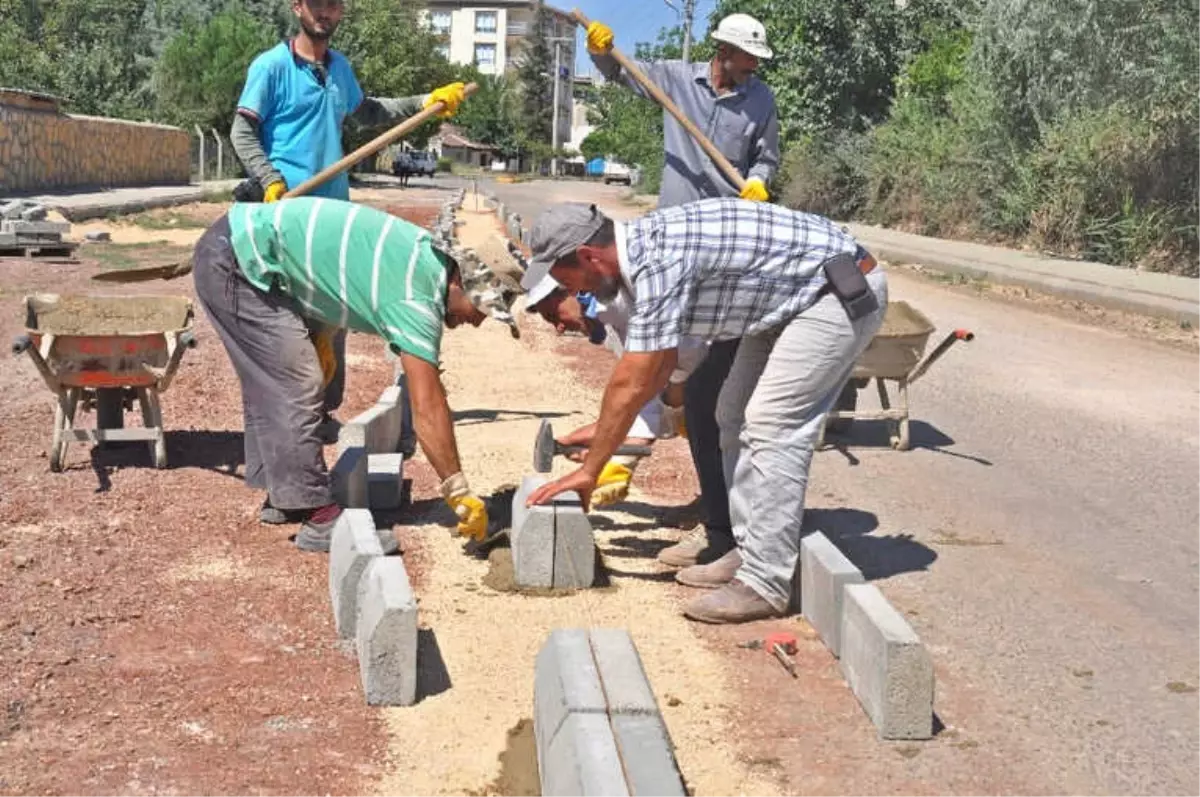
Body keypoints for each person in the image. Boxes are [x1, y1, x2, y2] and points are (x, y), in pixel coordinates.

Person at [521, 200, 888, 624]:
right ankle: (749, 551)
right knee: (730, 414)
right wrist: (612, 438)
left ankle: (766, 583)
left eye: (562, 276)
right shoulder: (640, 259)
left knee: (772, 424)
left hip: (835, 294)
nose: (571, 290)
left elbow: (634, 377)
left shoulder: (656, 263)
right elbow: (659, 366)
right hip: (789, 300)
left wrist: (592, 469)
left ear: (588, 256)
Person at [191, 197, 515, 553]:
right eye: (482, 307)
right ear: (460, 282)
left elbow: (343, 270)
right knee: (296, 382)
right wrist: (457, 489)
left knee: (278, 377)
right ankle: (318, 517)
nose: (479, 320)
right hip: (238, 262)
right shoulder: (414, 298)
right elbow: (427, 406)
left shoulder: (424, 258)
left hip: (244, 248)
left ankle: (285, 495)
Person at [583, 13, 780, 570]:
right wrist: (601, 51)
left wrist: (759, 179)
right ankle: (649, 430)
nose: (753, 67)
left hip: (724, 238)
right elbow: (622, 74)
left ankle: (672, 428)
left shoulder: (759, 100)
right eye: (747, 57)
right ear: (722, 51)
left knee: (699, 367)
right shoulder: (674, 78)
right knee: (652, 344)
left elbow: (766, 154)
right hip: (671, 237)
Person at [231, 0, 468, 454]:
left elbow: (370, 112)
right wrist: (270, 179)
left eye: (334, 5)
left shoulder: (339, 69)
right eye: (316, 4)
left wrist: (427, 102)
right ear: (297, 7)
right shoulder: (272, 67)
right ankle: (282, 435)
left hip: (333, 217)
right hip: (285, 215)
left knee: (330, 322)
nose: (325, 12)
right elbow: (242, 132)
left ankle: (317, 418)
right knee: (288, 329)